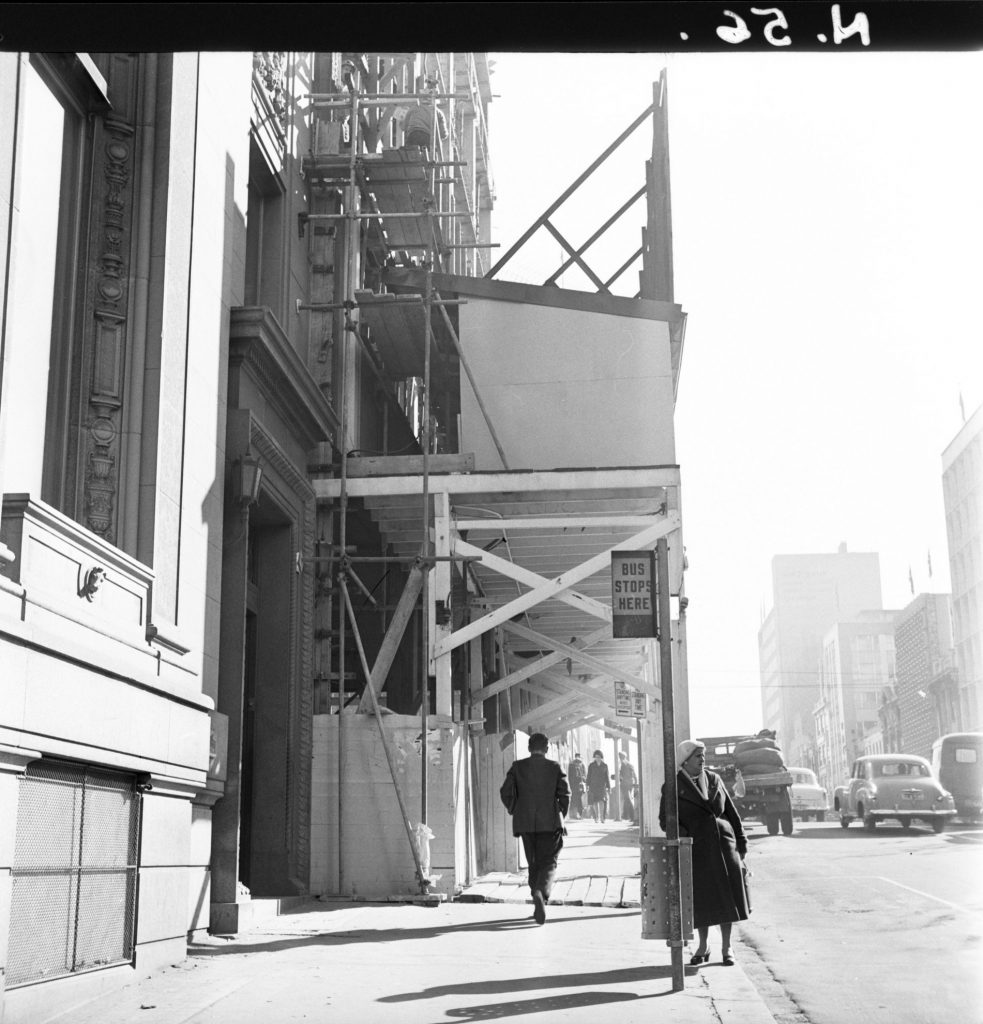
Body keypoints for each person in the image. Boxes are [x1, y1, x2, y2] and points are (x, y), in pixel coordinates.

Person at [660, 738, 750, 967]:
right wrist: (686, 834)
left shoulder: (714, 779)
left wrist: (741, 842)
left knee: (727, 898)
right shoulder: (673, 786)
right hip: (697, 848)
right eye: (698, 756)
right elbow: (666, 820)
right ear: (686, 760)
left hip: (723, 844)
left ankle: (727, 947)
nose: (703, 760)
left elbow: (730, 811)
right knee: (702, 900)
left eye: (703, 756)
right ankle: (703, 945)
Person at [499, 733, 570, 924]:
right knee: (548, 862)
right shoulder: (554, 767)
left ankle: (536, 897)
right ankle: (541, 893)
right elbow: (565, 794)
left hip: (525, 823)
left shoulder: (517, 767)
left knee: (533, 862)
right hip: (550, 822)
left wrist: (515, 809)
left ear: (529, 749)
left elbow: (505, 792)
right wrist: (559, 813)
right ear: (547, 749)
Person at [586, 749, 611, 822]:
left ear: (601, 757)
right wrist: (587, 785)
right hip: (593, 786)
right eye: (596, 757)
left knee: (602, 801)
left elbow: (607, 777)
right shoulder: (591, 765)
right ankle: (596, 817)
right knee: (594, 802)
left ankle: (602, 818)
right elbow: (588, 776)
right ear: (594, 757)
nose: (597, 758)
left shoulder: (605, 765)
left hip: (602, 786)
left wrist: (609, 787)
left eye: (599, 757)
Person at [618, 751, 639, 824]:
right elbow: (634, 774)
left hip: (625, 784)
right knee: (627, 799)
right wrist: (635, 781)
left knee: (628, 799)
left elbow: (621, 775)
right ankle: (629, 816)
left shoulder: (623, 764)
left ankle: (633, 816)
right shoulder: (630, 764)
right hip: (630, 783)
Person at [567, 753, 587, 819]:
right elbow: (570, 776)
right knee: (576, 799)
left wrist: (583, 779)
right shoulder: (572, 765)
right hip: (575, 785)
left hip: (579, 785)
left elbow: (584, 775)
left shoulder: (581, 765)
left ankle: (577, 814)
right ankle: (575, 814)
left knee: (578, 799)